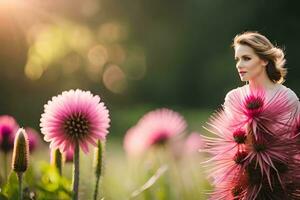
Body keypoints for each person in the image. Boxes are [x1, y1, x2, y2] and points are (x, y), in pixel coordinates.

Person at [204, 31, 300, 200]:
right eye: (237, 59)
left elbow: (294, 145)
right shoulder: (233, 98)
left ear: (264, 60)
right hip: (246, 184)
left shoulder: (288, 98)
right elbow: (233, 147)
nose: (239, 65)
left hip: (280, 185)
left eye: (246, 58)